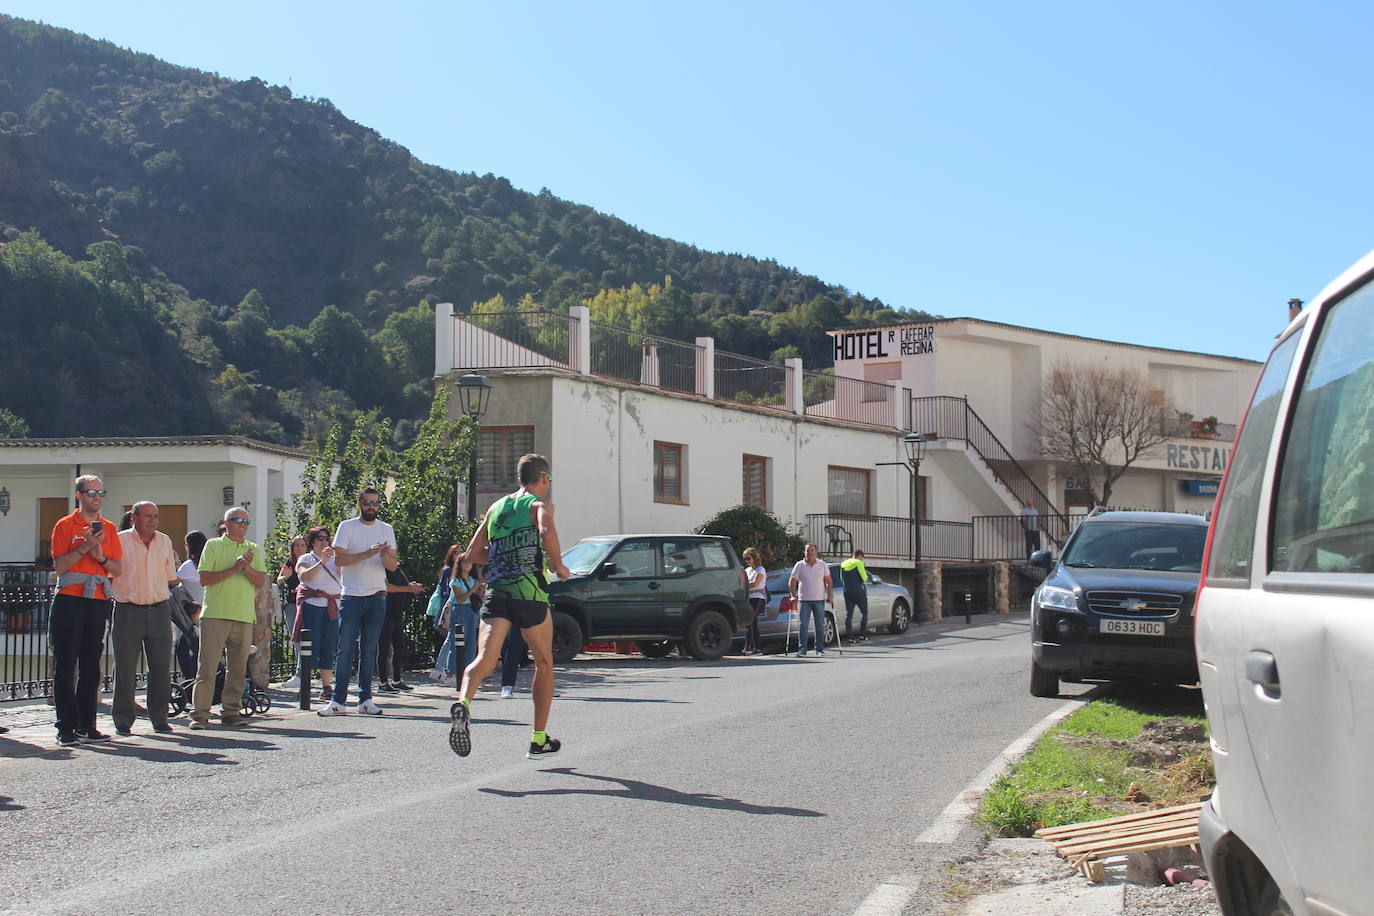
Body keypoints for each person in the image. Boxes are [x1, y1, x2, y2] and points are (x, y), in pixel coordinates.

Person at [449, 453, 571, 759]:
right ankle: (538, 739)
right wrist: (558, 565)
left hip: (498, 592)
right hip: (529, 594)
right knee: (544, 662)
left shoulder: (496, 507)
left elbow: (471, 556)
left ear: (519, 478)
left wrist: (505, 557)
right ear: (543, 479)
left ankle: (463, 704)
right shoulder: (540, 504)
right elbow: (547, 532)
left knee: (484, 661)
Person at [50, 475, 124, 745]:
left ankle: (87, 725)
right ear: (79, 495)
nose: (96, 496)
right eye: (91, 492)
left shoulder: (109, 528)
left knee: (91, 665)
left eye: (100, 492)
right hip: (70, 598)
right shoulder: (65, 525)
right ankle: (65, 728)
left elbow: (116, 569)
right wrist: (86, 546)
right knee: (66, 664)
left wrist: (100, 555)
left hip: (98, 600)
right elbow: (60, 566)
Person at [319, 487, 397, 716]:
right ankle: (338, 701)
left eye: (375, 502)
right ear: (359, 503)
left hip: (377, 596)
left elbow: (393, 565)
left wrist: (383, 554)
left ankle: (365, 699)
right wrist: (368, 553)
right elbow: (340, 559)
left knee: (369, 650)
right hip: (352, 595)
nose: (371, 506)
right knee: (345, 649)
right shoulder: (347, 526)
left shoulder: (386, 529)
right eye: (367, 502)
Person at [190, 508, 267, 729]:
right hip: (215, 613)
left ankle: (231, 712)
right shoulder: (213, 545)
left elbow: (260, 581)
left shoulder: (253, 549)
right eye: (238, 521)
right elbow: (205, 578)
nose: (243, 525)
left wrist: (246, 568)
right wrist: (235, 568)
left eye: (246, 522)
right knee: (207, 668)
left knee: (237, 668)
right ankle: (200, 715)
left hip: (242, 616)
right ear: (226, 523)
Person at [110, 501, 179, 736]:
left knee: (160, 668)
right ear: (134, 518)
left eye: (156, 516)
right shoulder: (119, 540)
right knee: (125, 668)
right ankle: (122, 720)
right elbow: (110, 574)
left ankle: (159, 718)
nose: (152, 520)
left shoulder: (165, 541)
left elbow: (170, 576)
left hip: (159, 608)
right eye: (148, 516)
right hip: (128, 610)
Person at [293, 526, 340, 702]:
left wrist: (338, 556)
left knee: (328, 647)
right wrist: (322, 562)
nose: (324, 542)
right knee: (310, 646)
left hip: (332, 606)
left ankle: (326, 687)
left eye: (326, 538)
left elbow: (345, 575)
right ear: (312, 541)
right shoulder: (306, 558)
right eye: (320, 538)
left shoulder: (335, 560)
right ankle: (305, 685)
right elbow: (305, 576)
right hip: (313, 606)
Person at [377, 566, 424, 692]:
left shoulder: (397, 568)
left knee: (399, 645)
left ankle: (397, 680)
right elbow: (387, 587)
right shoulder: (382, 569)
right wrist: (408, 588)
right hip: (386, 612)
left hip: (397, 613)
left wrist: (411, 586)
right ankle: (383, 682)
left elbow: (403, 585)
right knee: (384, 648)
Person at [444, 555, 483, 687]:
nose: (467, 565)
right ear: (459, 564)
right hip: (460, 611)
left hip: (471, 612)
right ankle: (451, 672)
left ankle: (468, 671)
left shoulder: (473, 579)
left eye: (469, 562)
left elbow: (477, 597)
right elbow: (460, 599)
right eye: (464, 562)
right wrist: (473, 589)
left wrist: (480, 588)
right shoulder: (456, 581)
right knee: (457, 642)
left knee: (471, 642)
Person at [788, 543, 832, 657]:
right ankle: (802, 649)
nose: (810, 553)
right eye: (808, 551)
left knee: (820, 624)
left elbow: (828, 581)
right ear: (804, 552)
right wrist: (793, 595)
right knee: (803, 625)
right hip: (804, 599)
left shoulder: (822, 564)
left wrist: (830, 595)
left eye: (812, 550)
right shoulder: (799, 565)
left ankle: (819, 649)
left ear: (816, 552)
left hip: (819, 599)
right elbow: (792, 581)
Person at [428, 543, 462, 684]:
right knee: (451, 639)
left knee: (452, 640)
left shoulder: (455, 570)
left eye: (461, 552)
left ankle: (441, 670)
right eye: (456, 553)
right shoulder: (449, 570)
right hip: (451, 607)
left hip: (453, 606)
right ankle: (442, 670)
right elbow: (448, 591)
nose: (459, 555)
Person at [276, 536, 308, 688]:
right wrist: (284, 577)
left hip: (307, 603)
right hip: (291, 604)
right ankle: (300, 672)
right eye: (296, 545)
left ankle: (302, 673)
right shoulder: (290, 563)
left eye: (302, 545)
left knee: (306, 638)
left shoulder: (310, 561)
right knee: (296, 639)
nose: (299, 548)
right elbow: (279, 580)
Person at [839, 548, 870, 642]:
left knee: (849, 615)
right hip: (859, 592)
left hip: (847, 592)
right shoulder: (859, 563)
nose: (862, 560)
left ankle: (850, 637)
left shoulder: (843, 564)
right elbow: (864, 578)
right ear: (860, 556)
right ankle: (863, 635)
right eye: (862, 558)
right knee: (864, 613)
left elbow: (841, 578)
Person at [741, 547, 767, 655]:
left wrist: (745, 585)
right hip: (749, 598)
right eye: (745, 559)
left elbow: (756, 583)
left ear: (754, 558)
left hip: (758, 598)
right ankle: (757, 648)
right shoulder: (747, 571)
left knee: (750, 621)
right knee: (752, 623)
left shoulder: (760, 570)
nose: (747, 561)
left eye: (748, 558)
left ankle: (748, 647)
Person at [177, 531, 207, 612]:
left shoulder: (189, 565)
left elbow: (172, 581)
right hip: (205, 607)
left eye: (186, 544)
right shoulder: (208, 562)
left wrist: (174, 562)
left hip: (191, 610)